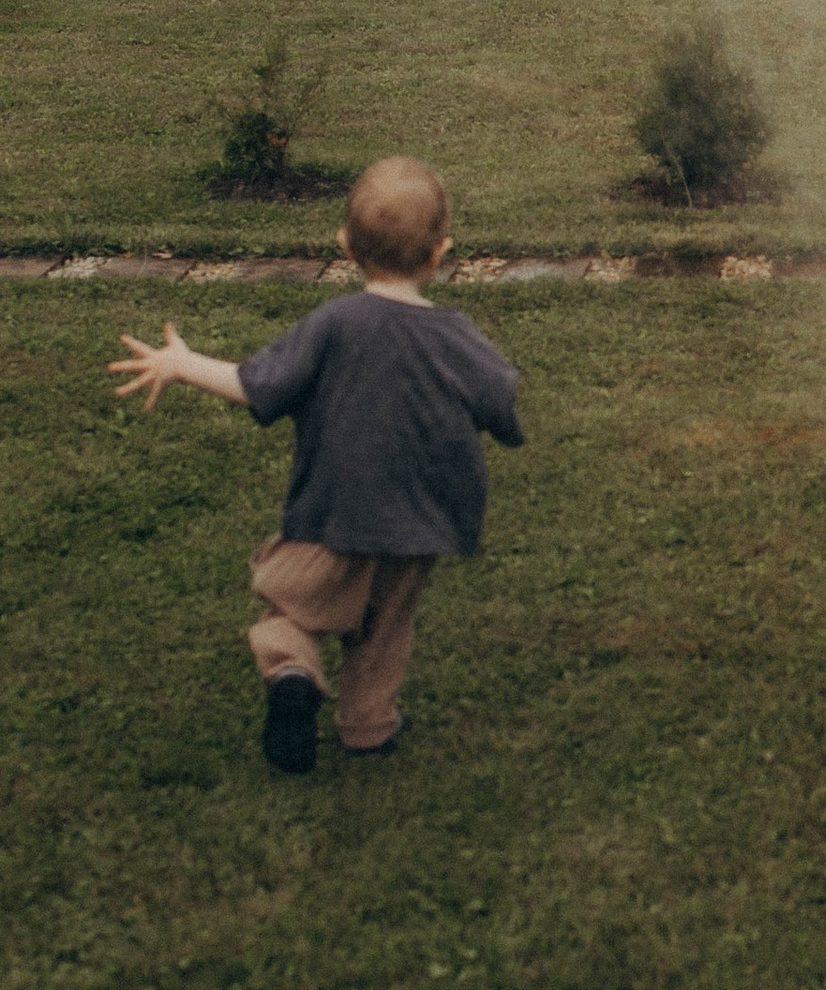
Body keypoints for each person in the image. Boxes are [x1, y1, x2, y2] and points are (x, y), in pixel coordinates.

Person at [110, 153, 523, 774]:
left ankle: (294, 673)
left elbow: (259, 385)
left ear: (343, 246)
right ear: (441, 252)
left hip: (334, 512)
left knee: (294, 608)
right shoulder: (457, 336)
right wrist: (500, 425)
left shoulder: (334, 324)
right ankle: (368, 727)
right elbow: (499, 395)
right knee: (385, 630)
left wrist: (183, 364)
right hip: (418, 524)